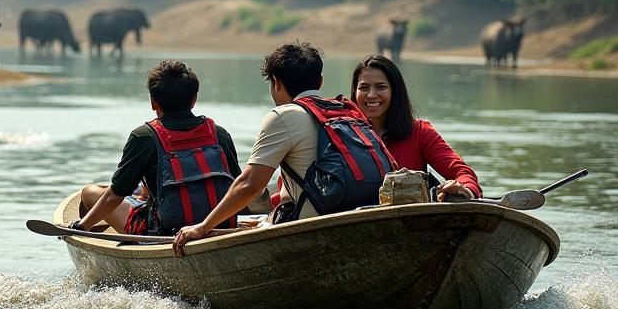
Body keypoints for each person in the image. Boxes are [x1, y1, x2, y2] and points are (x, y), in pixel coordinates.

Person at [173, 40, 390, 255]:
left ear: (276, 83)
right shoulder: (347, 111)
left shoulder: (284, 116)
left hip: (316, 228)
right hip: (366, 217)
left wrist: (203, 228)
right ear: (320, 81)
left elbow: (250, 184)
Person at [74, 60, 242, 235]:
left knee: (90, 193)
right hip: (219, 226)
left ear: (153, 102)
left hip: (164, 232)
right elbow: (239, 186)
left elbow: (114, 196)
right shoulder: (218, 134)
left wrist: (81, 227)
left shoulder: (143, 137)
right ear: (194, 100)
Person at [350, 54, 481, 201]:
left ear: (395, 91)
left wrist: (464, 190)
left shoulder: (420, 133)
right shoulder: (343, 137)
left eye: (381, 87)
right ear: (355, 92)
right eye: (364, 87)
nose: (371, 95)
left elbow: (463, 172)